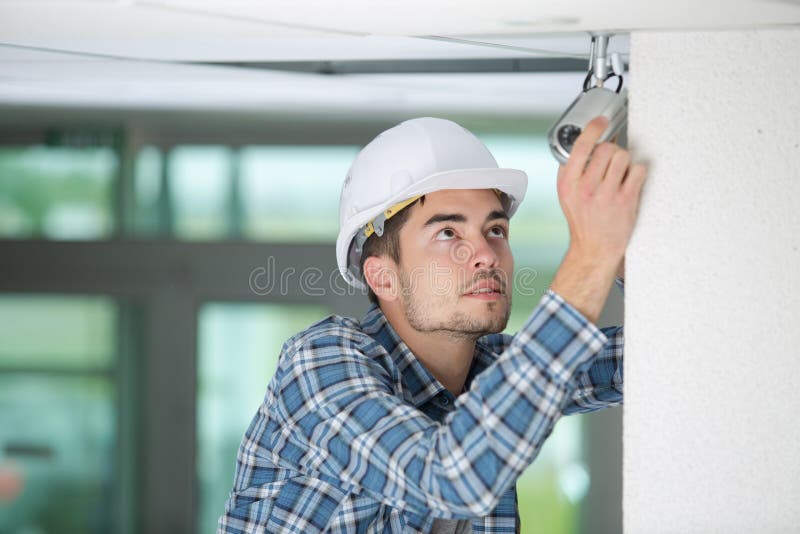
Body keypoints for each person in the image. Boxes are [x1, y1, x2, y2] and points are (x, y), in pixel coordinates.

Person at [218, 115, 645, 533]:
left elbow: (661, 357)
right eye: (448, 234)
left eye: (495, 229)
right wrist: (589, 256)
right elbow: (449, 478)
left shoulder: (494, 371)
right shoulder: (319, 364)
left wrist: (626, 254)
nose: (485, 254)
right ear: (382, 276)